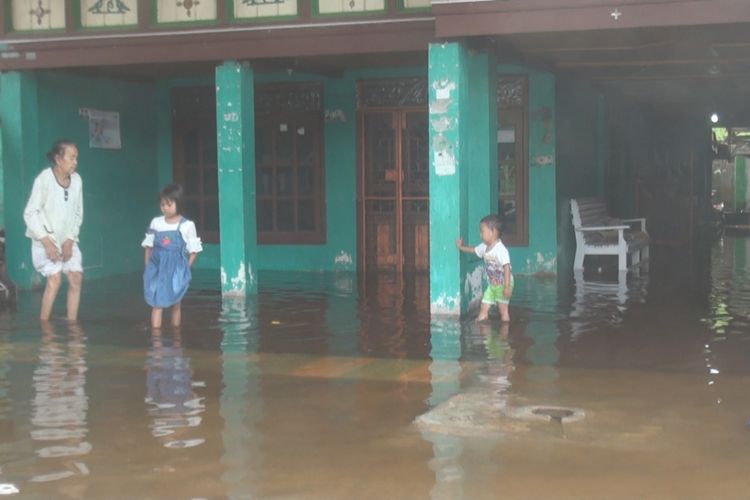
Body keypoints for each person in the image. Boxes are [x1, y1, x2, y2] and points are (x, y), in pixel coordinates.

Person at [23, 140, 84, 322]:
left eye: (76, 158)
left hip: (67, 239)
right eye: (71, 158)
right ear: (58, 159)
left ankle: (72, 325)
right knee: (55, 279)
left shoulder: (77, 180)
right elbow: (30, 213)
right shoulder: (44, 179)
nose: (75, 162)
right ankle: (45, 328)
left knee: (76, 278)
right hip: (44, 241)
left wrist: (70, 239)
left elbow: (78, 213)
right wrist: (47, 242)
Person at [142, 184, 202, 329]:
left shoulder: (187, 225)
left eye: (169, 204)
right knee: (157, 303)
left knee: (176, 303)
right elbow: (149, 246)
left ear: (179, 203)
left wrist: (186, 267)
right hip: (157, 267)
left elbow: (194, 250)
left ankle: (176, 337)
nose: (165, 208)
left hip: (176, 269)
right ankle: (156, 340)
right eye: (162, 204)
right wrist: (147, 267)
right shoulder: (156, 222)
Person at [456, 214, 513, 322]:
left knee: (503, 310)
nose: (480, 234)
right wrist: (461, 247)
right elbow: (474, 250)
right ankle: (481, 321)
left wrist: (507, 287)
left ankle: (505, 334)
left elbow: (507, 268)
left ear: (493, 232)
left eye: (482, 231)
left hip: (503, 283)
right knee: (484, 305)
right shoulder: (485, 246)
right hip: (493, 284)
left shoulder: (501, 250)